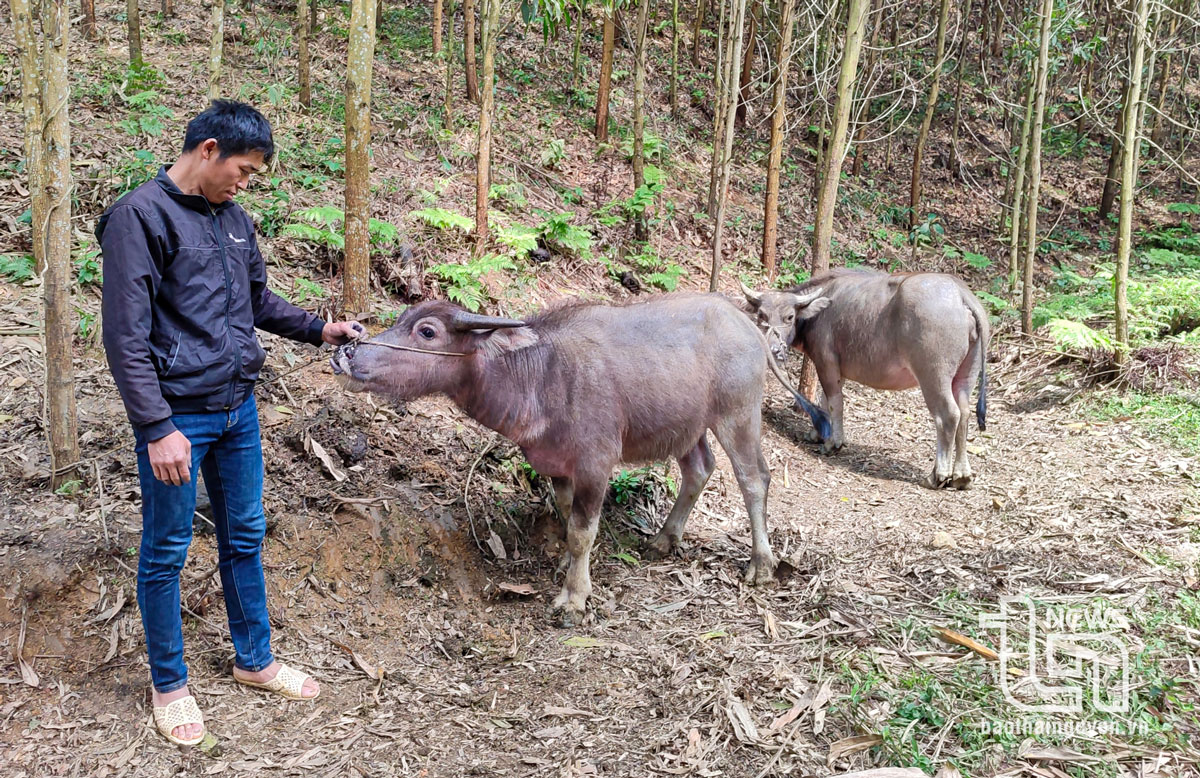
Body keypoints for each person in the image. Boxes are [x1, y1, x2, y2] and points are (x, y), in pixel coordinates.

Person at [98, 100, 361, 746]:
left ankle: (255, 661)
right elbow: (124, 338)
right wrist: (157, 427)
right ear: (208, 149)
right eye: (242, 170)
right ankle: (170, 685)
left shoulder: (234, 221)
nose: (245, 184)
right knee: (165, 550)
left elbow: (257, 301)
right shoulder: (141, 218)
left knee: (244, 533)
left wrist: (318, 329)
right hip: (179, 418)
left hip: (237, 408)